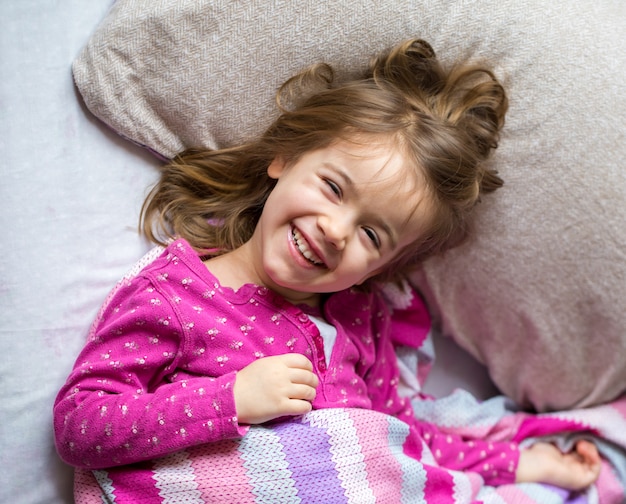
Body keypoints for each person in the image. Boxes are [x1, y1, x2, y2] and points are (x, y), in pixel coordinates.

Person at [53, 38, 601, 490]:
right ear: (284, 158)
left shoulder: (358, 322)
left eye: (370, 233)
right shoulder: (177, 296)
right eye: (333, 187)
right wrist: (230, 399)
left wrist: (523, 465)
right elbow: (81, 424)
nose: (335, 231)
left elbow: (400, 440)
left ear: (382, 267)